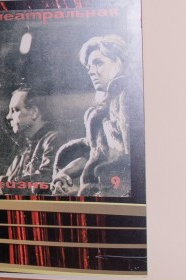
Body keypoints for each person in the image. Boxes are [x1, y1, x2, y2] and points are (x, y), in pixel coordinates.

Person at [52, 35, 131, 197]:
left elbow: (132, 158)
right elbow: (96, 153)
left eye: (98, 63)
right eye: (89, 66)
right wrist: (64, 173)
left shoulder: (128, 98)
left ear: (118, 63)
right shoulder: (101, 109)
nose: (91, 71)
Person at [0, 88, 62, 195]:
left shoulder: (54, 140)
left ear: (34, 113)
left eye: (14, 110)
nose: (8, 117)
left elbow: (47, 178)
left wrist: (5, 185)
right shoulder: (23, 150)